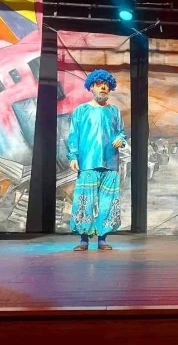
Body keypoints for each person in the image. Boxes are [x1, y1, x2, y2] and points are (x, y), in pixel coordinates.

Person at [66, 69, 126, 251]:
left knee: (108, 202)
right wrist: (73, 156)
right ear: (91, 86)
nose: (103, 88)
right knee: (85, 201)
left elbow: (121, 132)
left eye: (106, 85)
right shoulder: (81, 111)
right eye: (100, 84)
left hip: (110, 162)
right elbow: (73, 135)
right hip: (88, 162)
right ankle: (84, 239)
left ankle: (102, 239)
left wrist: (120, 139)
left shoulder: (114, 111)